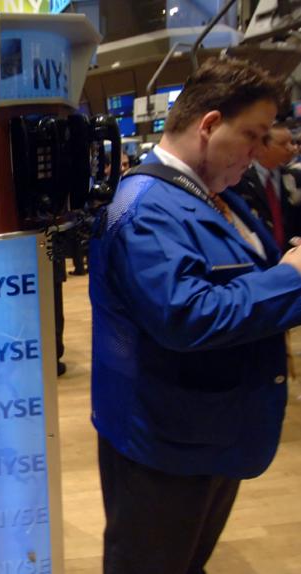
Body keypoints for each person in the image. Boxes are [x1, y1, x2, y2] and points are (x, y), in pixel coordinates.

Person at [89, 57, 301, 574]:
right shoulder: (142, 204)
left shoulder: (208, 195)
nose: (256, 154)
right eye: (250, 136)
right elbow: (185, 315)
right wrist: (293, 278)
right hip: (165, 441)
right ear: (209, 125)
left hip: (211, 427)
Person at [232, 122, 301, 250]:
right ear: (263, 146)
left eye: (291, 143)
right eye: (283, 144)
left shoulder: (296, 177)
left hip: (292, 253)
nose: (291, 148)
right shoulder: (238, 180)